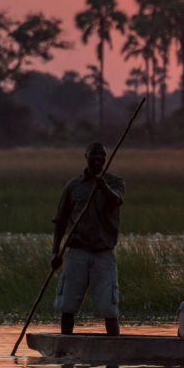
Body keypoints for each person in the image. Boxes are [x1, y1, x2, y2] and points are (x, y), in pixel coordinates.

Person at [50, 142, 125, 336]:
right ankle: (65, 345)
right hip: (77, 252)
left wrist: (103, 187)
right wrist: (55, 252)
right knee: (67, 304)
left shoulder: (115, 182)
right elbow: (60, 221)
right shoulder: (74, 185)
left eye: (102, 156)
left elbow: (116, 200)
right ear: (86, 157)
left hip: (104, 253)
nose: (98, 159)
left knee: (109, 306)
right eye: (94, 155)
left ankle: (114, 349)